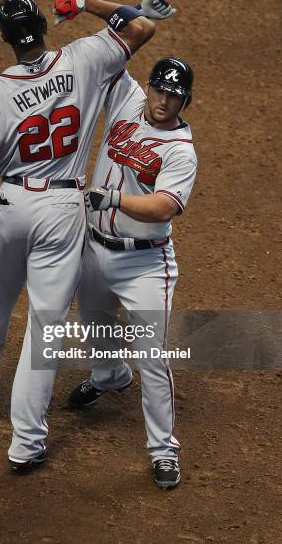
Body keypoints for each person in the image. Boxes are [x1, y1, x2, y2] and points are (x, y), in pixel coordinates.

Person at [0, 0, 176, 471]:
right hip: (64, 205)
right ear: (45, 26)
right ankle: (26, 444)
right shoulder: (83, 56)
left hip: (12, 202)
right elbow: (141, 26)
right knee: (45, 326)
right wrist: (85, 1)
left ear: (5, 38)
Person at [68, 57, 197, 489]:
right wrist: (89, 3)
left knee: (153, 358)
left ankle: (163, 449)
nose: (162, 101)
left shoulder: (180, 149)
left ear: (185, 101)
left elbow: (164, 205)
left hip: (145, 262)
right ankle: (109, 377)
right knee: (95, 326)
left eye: (173, 96)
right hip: (94, 248)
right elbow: (117, 44)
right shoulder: (128, 98)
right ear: (149, 87)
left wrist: (114, 200)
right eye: (158, 90)